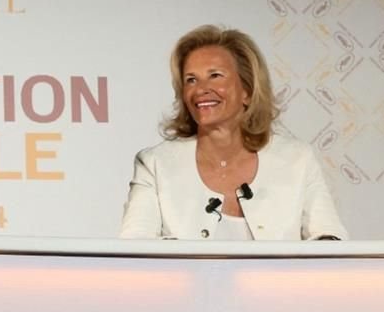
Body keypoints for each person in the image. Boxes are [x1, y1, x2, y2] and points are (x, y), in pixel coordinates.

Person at [119, 25, 347, 240]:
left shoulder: (298, 160)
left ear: (247, 90)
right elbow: (135, 250)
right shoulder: (155, 165)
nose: (200, 89)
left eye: (215, 75)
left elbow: (330, 242)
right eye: (191, 80)